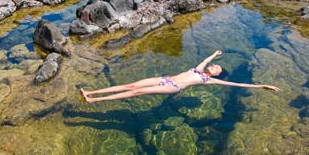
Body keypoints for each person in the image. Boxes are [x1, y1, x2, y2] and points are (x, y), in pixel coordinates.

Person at [80, 50, 281, 103]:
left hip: (172, 87)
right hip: (164, 78)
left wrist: (264, 86)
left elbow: (237, 84)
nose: (214, 66)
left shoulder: (209, 79)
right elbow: (205, 60)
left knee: (136, 91)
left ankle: (95, 100)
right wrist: (215, 55)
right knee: (130, 84)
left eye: (217, 67)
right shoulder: (198, 69)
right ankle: (90, 92)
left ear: (217, 74)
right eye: (215, 65)